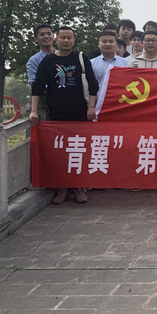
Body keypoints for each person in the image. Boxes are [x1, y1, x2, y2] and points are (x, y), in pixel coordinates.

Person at [30, 26, 99, 205]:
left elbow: (92, 84)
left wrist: (91, 107)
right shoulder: (48, 61)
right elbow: (37, 86)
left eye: (69, 38)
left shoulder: (81, 58)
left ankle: (79, 187)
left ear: (74, 40)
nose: (66, 41)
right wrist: (33, 111)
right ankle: (62, 188)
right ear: (56, 39)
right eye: (63, 37)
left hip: (80, 112)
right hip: (57, 113)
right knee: (60, 152)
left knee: (80, 150)